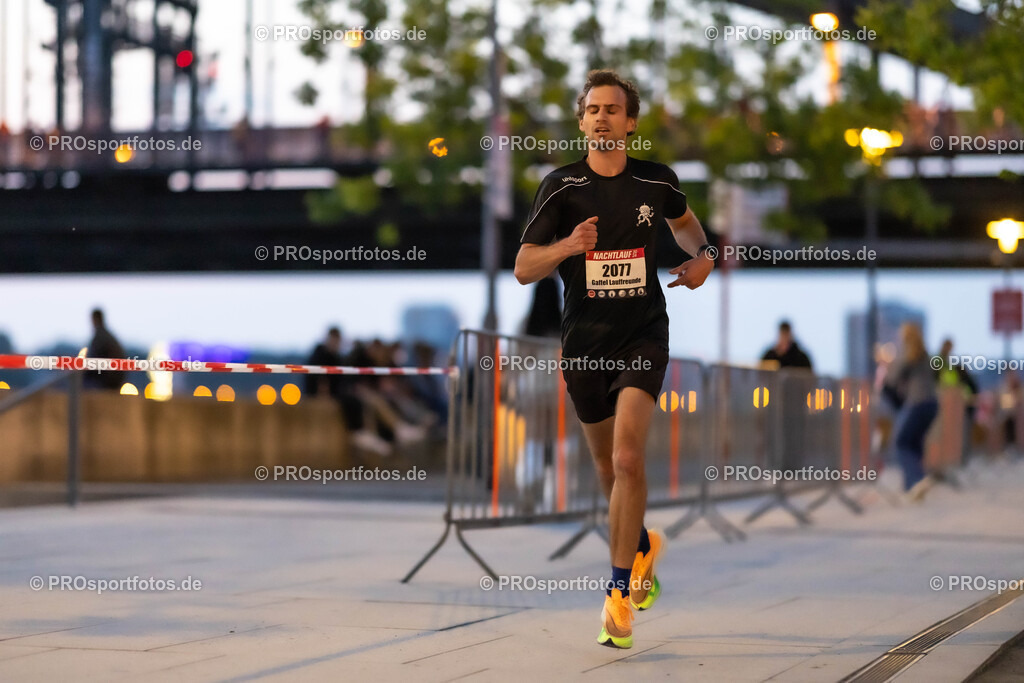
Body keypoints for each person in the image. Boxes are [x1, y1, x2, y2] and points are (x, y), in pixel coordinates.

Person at [514, 69, 714, 649]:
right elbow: (525, 267)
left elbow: (688, 227)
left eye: (613, 109)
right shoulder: (560, 187)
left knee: (629, 459)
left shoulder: (657, 182)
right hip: (584, 347)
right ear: (582, 121)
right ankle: (643, 547)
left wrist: (705, 256)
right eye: (593, 109)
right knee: (607, 472)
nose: (602, 117)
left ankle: (618, 594)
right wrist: (568, 247)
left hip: (643, 336)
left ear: (630, 122)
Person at [305, 327, 392, 457]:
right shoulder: (321, 355)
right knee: (354, 401)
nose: (337, 344)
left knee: (360, 401)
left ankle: (367, 434)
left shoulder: (335, 356)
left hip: (337, 393)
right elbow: (321, 381)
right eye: (335, 340)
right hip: (322, 395)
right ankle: (359, 432)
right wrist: (324, 396)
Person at [882, 323, 938, 500]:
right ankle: (911, 488)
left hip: (917, 403)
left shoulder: (909, 355)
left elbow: (891, 379)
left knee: (901, 443)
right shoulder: (927, 355)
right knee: (914, 442)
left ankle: (917, 479)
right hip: (932, 404)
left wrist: (887, 365)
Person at [935, 338, 977, 463]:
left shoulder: (949, 364)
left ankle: (955, 459)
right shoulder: (940, 362)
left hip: (954, 402)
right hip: (947, 402)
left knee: (956, 432)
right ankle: (949, 459)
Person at [84, 308, 126, 390]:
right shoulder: (107, 335)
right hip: (116, 376)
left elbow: (94, 359)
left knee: (82, 380)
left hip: (109, 378)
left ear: (94, 319)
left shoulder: (100, 336)